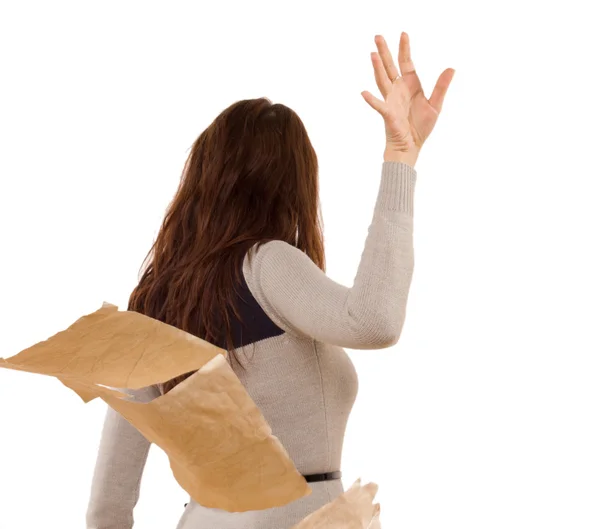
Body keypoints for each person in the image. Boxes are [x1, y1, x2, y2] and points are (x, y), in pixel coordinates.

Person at [85, 32, 455, 529]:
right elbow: (374, 322)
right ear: (296, 180)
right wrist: (400, 158)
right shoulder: (267, 264)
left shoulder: (159, 298)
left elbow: (111, 495)